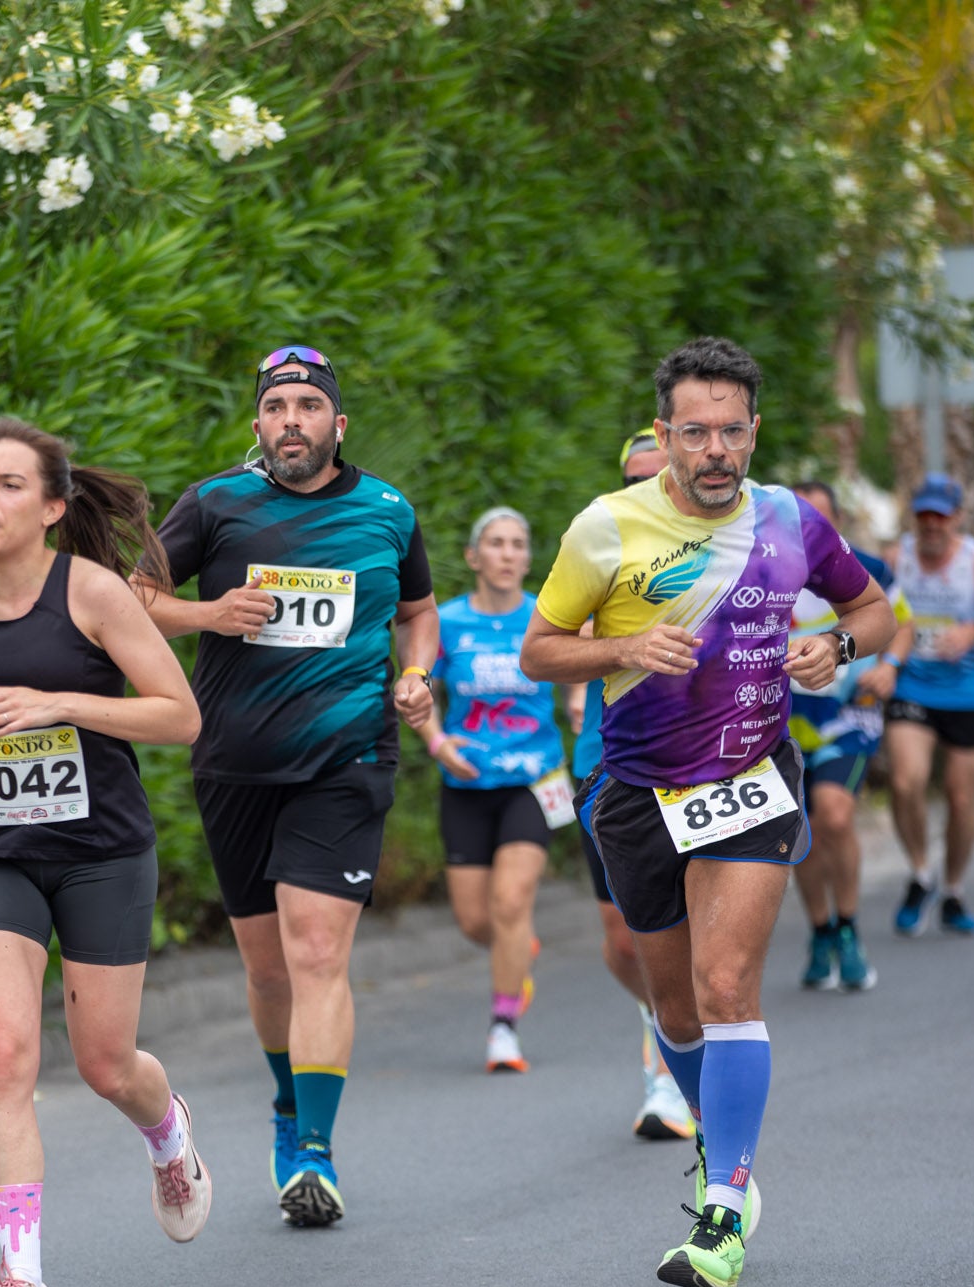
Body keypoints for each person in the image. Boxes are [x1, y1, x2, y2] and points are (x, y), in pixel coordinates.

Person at [522, 336, 894, 1287]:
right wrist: (625, 648)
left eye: (731, 431)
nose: (715, 449)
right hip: (638, 789)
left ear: (753, 431)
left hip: (750, 778)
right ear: (665, 433)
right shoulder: (605, 527)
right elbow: (539, 650)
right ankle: (723, 1151)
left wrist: (839, 646)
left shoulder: (792, 519)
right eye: (695, 432)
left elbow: (873, 608)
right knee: (676, 1008)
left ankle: (721, 1210)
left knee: (726, 986)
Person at [0, 418, 209, 1287]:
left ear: (50, 507)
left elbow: (180, 715)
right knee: (4, 1054)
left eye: (7, 485)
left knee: (105, 1063)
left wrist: (60, 703)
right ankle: (21, 1285)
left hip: (98, 852)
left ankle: (168, 1133)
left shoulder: (94, 593)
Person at [131, 345, 438, 1228]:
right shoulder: (215, 502)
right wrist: (208, 613)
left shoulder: (388, 510)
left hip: (346, 760)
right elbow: (132, 597)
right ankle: (285, 1101)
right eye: (276, 408)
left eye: (307, 406)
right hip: (235, 762)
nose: (291, 421)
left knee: (315, 952)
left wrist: (417, 674)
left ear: (338, 423)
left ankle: (314, 1149)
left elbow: (418, 612)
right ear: (258, 424)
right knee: (268, 972)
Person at [567, 429, 694, 1140]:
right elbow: (548, 643)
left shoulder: (724, 546)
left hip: (703, 764)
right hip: (609, 762)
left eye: (658, 474)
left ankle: (678, 1074)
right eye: (633, 478)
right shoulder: (598, 546)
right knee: (624, 941)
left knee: (692, 928)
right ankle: (661, 1012)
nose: (647, 487)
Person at [415, 506, 572, 1074]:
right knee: (477, 922)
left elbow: (581, 674)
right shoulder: (448, 623)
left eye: (517, 544)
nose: (508, 554)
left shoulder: (546, 620)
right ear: (473, 556)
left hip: (536, 779)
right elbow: (417, 689)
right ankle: (516, 949)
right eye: (496, 543)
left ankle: (503, 1027)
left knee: (511, 902)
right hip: (467, 779)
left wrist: (581, 702)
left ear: (528, 559)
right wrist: (437, 743)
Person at [877, 474, 974, 937]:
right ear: (914, 516)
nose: (931, 524)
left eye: (940, 516)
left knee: (962, 799)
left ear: (957, 518)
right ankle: (921, 873)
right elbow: (869, 606)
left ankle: (954, 889)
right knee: (906, 782)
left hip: (967, 692)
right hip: (912, 687)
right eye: (924, 515)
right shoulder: (896, 559)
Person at [784, 480, 895, 992]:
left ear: (837, 522)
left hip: (847, 716)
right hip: (782, 722)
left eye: (820, 519)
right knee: (798, 831)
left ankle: (848, 928)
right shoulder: (763, 570)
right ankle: (821, 931)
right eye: (800, 518)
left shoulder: (864, 568)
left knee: (833, 813)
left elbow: (898, 622)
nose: (809, 529)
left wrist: (889, 666)